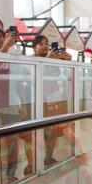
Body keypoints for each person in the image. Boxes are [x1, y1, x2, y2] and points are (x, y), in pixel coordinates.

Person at [31, 35, 72, 169]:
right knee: (38, 132)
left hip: (54, 99)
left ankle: (48, 157)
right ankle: (34, 163)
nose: (44, 46)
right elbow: (35, 77)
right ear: (34, 47)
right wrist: (48, 60)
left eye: (46, 43)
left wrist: (67, 59)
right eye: (40, 44)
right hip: (38, 101)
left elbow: (63, 75)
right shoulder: (31, 60)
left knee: (53, 131)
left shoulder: (54, 60)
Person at [0, 28, 21, 183]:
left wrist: (21, 103)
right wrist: (4, 48)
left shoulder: (11, 56)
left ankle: (11, 173)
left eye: (0, 36)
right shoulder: (4, 52)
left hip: (9, 103)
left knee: (12, 139)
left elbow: (18, 79)